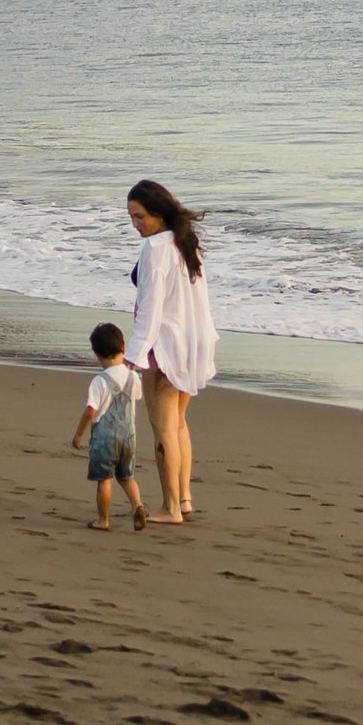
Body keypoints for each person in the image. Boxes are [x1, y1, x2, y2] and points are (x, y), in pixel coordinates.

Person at [124, 177, 216, 525]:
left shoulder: (156, 249)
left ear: (159, 213)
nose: (135, 225)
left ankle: (170, 507)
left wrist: (132, 355)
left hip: (165, 347)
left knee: (164, 429)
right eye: (131, 217)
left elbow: (151, 309)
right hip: (193, 342)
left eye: (140, 217)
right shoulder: (184, 243)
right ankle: (185, 498)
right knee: (178, 424)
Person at [69, 322, 147, 532]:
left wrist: (78, 435)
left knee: (105, 480)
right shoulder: (133, 377)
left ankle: (103, 519)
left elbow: (91, 411)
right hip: (129, 437)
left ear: (96, 354)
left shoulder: (99, 381)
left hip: (105, 440)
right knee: (127, 476)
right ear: (123, 347)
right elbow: (136, 398)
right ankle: (138, 505)